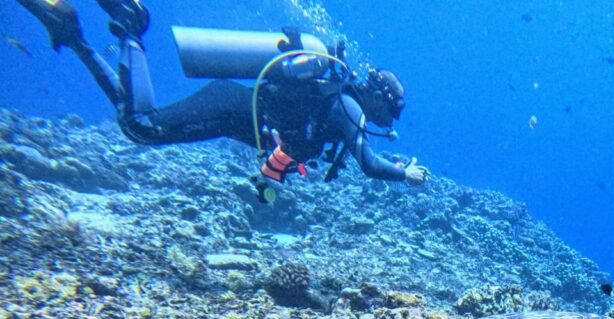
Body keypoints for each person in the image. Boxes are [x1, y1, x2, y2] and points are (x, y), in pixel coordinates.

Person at [15, 0, 430, 197]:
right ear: (377, 98)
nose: (387, 123)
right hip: (231, 106)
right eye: (389, 112)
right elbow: (370, 165)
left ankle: (73, 35)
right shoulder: (347, 108)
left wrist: (267, 184)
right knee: (142, 127)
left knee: (140, 127)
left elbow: (288, 147)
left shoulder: (333, 103)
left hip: (236, 109)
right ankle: (130, 26)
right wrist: (404, 173)